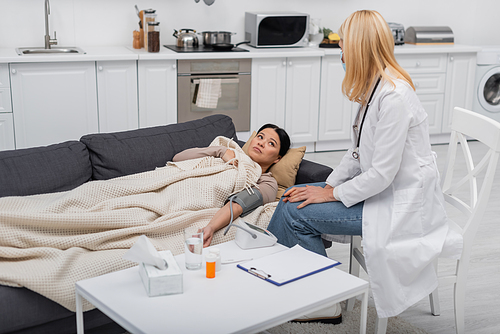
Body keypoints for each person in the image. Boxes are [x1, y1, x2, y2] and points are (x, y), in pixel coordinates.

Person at [267, 10, 462, 322]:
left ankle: (324, 301)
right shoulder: (373, 89)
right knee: (293, 195)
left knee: (295, 212)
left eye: (344, 45)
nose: (340, 52)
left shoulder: (394, 97)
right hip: (380, 195)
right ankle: (282, 279)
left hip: (398, 208)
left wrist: (330, 195)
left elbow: (382, 175)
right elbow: (356, 152)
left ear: (359, 48)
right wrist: (329, 186)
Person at [173, 123, 290, 247]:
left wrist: (210, 228)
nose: (261, 143)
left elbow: (238, 204)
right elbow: (178, 158)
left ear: (278, 158)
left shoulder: (267, 182)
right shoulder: (229, 153)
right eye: (260, 137)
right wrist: (220, 151)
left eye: (271, 143)